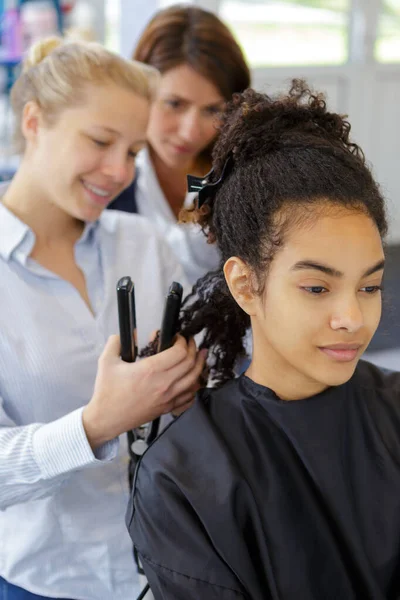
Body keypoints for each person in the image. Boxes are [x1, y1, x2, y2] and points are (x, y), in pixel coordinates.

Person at [127, 80, 400, 600]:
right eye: (317, 287)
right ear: (246, 285)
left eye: (370, 286)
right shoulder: (182, 478)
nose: (352, 318)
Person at [0, 37, 206, 600]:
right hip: (46, 582)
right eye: (99, 141)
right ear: (35, 122)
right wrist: (97, 423)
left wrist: (188, 380)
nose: (119, 171)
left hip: (168, 567)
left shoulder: (147, 246)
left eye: (135, 152)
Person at [107, 4, 251, 284]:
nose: (189, 132)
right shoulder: (107, 176)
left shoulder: (242, 177)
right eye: (174, 104)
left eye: (212, 110)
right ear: (141, 91)